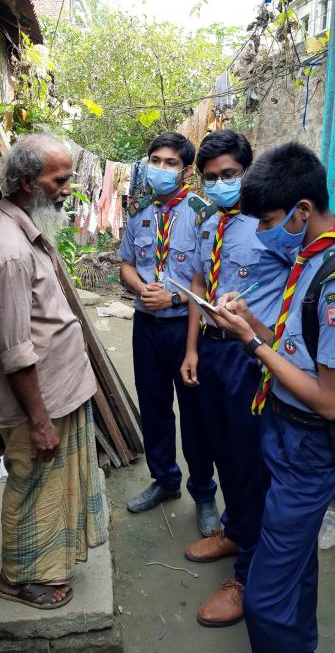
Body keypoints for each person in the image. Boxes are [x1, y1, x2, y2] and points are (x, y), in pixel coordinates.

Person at [212, 142, 335, 652]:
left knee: (264, 599)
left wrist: (250, 344)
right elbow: (296, 348)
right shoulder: (312, 259)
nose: (262, 234)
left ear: (303, 210)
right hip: (284, 435)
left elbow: (330, 400)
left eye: (268, 221)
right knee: (296, 567)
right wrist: (250, 322)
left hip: (310, 448)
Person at [0, 133, 107, 610]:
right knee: (30, 485)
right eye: (60, 179)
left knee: (46, 486)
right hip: (37, 404)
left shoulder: (23, 226)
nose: (69, 188)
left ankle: (44, 565)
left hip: (57, 392)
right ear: (27, 182)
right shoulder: (7, 249)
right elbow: (15, 351)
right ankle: (19, 578)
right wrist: (41, 421)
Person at [179, 130, 292, 627]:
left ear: (246, 171)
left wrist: (271, 346)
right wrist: (191, 350)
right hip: (212, 349)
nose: (221, 184)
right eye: (210, 178)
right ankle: (233, 529)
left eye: (228, 175)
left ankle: (248, 574)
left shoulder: (273, 226)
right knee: (222, 450)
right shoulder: (209, 225)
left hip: (251, 357)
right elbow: (199, 283)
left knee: (250, 464)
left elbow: (296, 289)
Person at [120, 132, 219, 536]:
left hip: (186, 330)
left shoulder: (204, 214)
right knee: (154, 407)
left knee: (195, 416)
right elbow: (126, 263)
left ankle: (204, 493)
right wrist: (140, 288)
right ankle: (164, 479)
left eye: (170, 163)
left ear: (187, 170)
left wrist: (176, 302)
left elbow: (210, 281)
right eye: (155, 161)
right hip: (146, 328)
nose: (160, 169)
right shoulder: (140, 211)